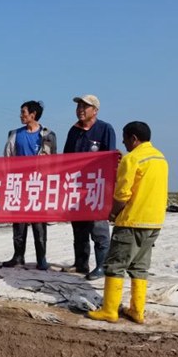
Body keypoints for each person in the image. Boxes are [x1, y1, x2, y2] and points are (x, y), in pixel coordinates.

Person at [88, 122, 168, 323]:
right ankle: (137, 310)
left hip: (132, 221)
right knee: (139, 267)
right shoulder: (160, 158)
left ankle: (109, 310)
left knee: (115, 265)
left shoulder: (132, 159)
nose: (123, 142)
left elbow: (123, 194)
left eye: (124, 138)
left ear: (134, 138)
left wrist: (113, 212)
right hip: (154, 222)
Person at [63, 95, 117, 280]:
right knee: (79, 228)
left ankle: (101, 266)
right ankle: (81, 263)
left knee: (98, 229)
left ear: (95, 110)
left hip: (96, 188)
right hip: (77, 187)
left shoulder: (105, 129)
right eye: (79, 106)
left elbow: (110, 158)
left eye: (85, 106)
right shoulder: (74, 131)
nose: (80, 110)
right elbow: (66, 159)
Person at [2, 101, 57, 270]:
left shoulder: (48, 135)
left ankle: (41, 258)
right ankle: (18, 256)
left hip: (39, 185)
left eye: (23, 112)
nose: (21, 115)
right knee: (18, 222)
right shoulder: (15, 134)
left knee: (39, 223)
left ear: (33, 115)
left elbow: (54, 161)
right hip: (19, 185)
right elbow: (7, 158)